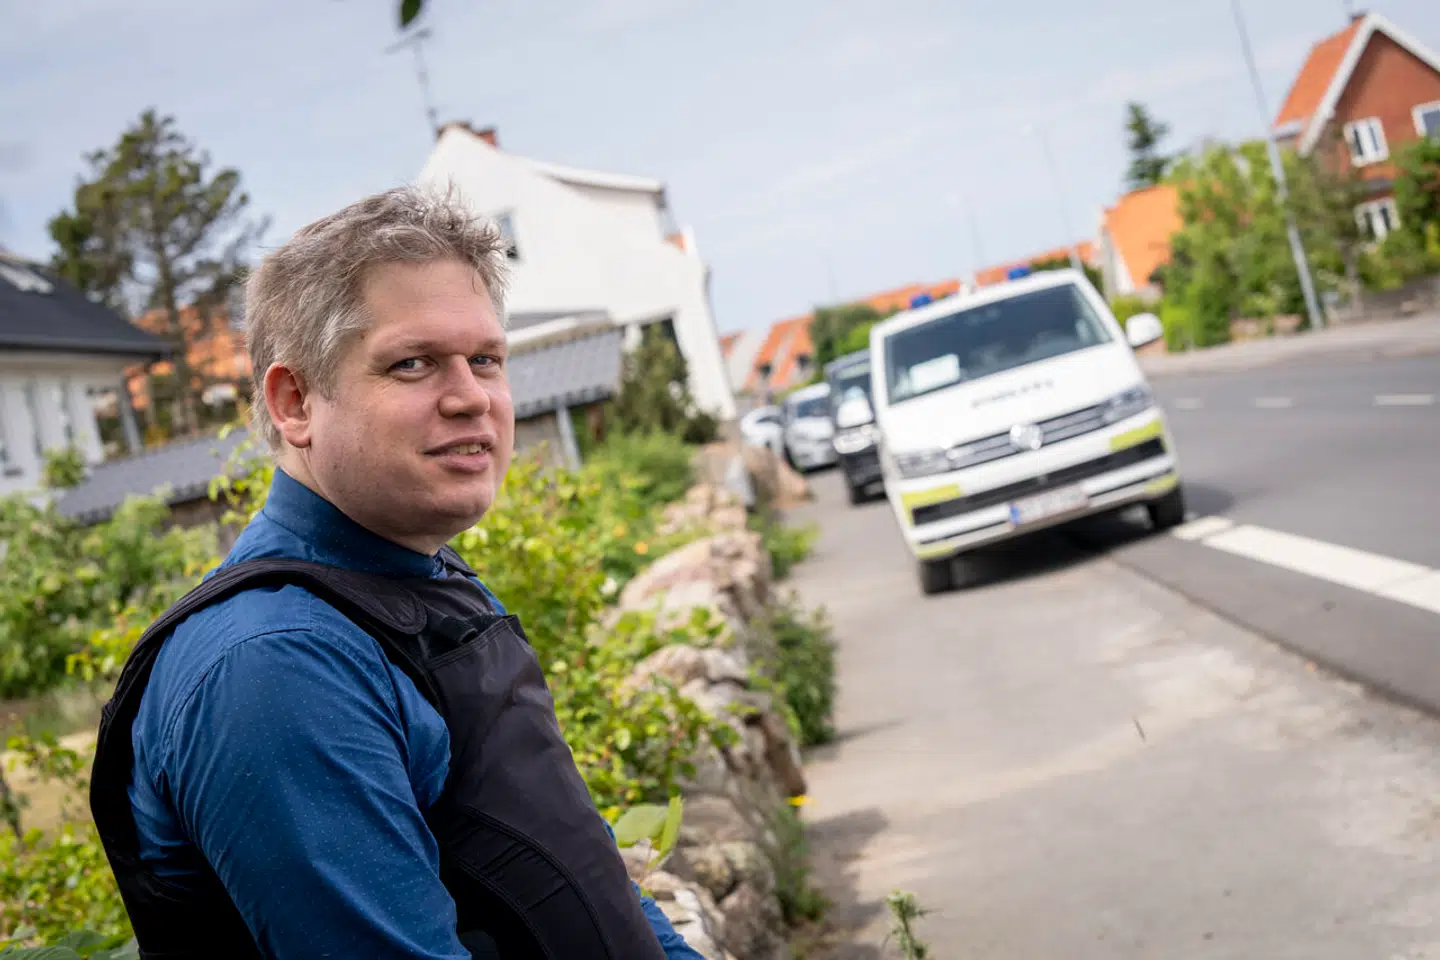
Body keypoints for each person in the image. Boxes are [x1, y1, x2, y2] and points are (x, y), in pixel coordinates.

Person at [89, 186, 706, 959]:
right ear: (294, 402)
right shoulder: (275, 666)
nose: (472, 397)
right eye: (413, 364)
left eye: (485, 359)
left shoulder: (416, 578)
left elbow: (581, 870)